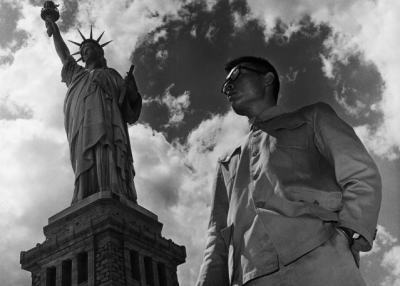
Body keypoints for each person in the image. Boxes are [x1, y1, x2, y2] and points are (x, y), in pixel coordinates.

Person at [196, 56, 382, 286]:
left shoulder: (313, 117)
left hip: (322, 265)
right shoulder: (227, 161)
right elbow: (217, 236)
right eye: (225, 86)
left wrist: (346, 234)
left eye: (236, 76)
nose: (229, 87)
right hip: (250, 278)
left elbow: (361, 174)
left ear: (267, 79)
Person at [45, 19, 142, 204]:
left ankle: (113, 188)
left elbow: (130, 113)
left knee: (107, 154)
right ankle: (85, 192)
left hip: (109, 128)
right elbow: (63, 54)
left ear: (99, 52)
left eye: (87, 49)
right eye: (82, 52)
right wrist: (55, 31)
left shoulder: (112, 75)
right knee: (85, 160)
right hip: (82, 127)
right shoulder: (76, 74)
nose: (84, 54)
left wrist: (132, 90)